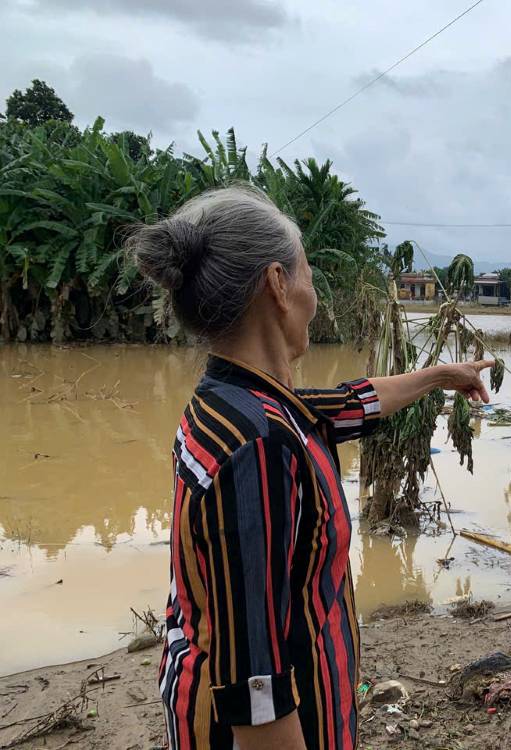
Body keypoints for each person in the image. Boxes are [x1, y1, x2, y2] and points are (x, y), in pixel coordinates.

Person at [130, 184, 492, 750]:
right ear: (277, 285)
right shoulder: (257, 445)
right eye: (308, 275)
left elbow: (351, 403)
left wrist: (443, 377)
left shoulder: (242, 401)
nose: (314, 295)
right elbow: (255, 683)